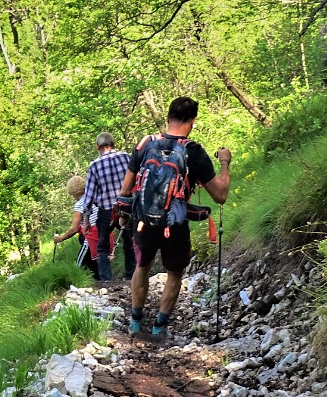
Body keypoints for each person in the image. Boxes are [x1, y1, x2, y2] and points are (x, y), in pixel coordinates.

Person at [115, 97, 231, 337]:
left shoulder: (145, 145)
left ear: (167, 118)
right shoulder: (193, 151)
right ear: (193, 121)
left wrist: (124, 215)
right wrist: (225, 162)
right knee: (174, 273)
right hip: (175, 223)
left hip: (144, 222)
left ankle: (135, 323)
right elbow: (220, 195)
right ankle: (159, 327)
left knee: (142, 266)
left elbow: (126, 190)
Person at [82, 131, 135, 284]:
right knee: (129, 240)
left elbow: (89, 195)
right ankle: (131, 274)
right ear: (113, 144)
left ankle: (106, 280)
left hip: (107, 210)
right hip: (126, 206)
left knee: (102, 245)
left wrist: (86, 219)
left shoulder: (94, 166)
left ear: (97, 146)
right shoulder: (125, 157)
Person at [51, 175, 111, 275]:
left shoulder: (79, 205)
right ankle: (103, 283)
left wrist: (61, 238)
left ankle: (74, 283)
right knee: (97, 265)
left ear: (71, 192)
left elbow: (74, 228)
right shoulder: (94, 197)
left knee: (78, 266)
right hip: (104, 235)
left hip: (90, 238)